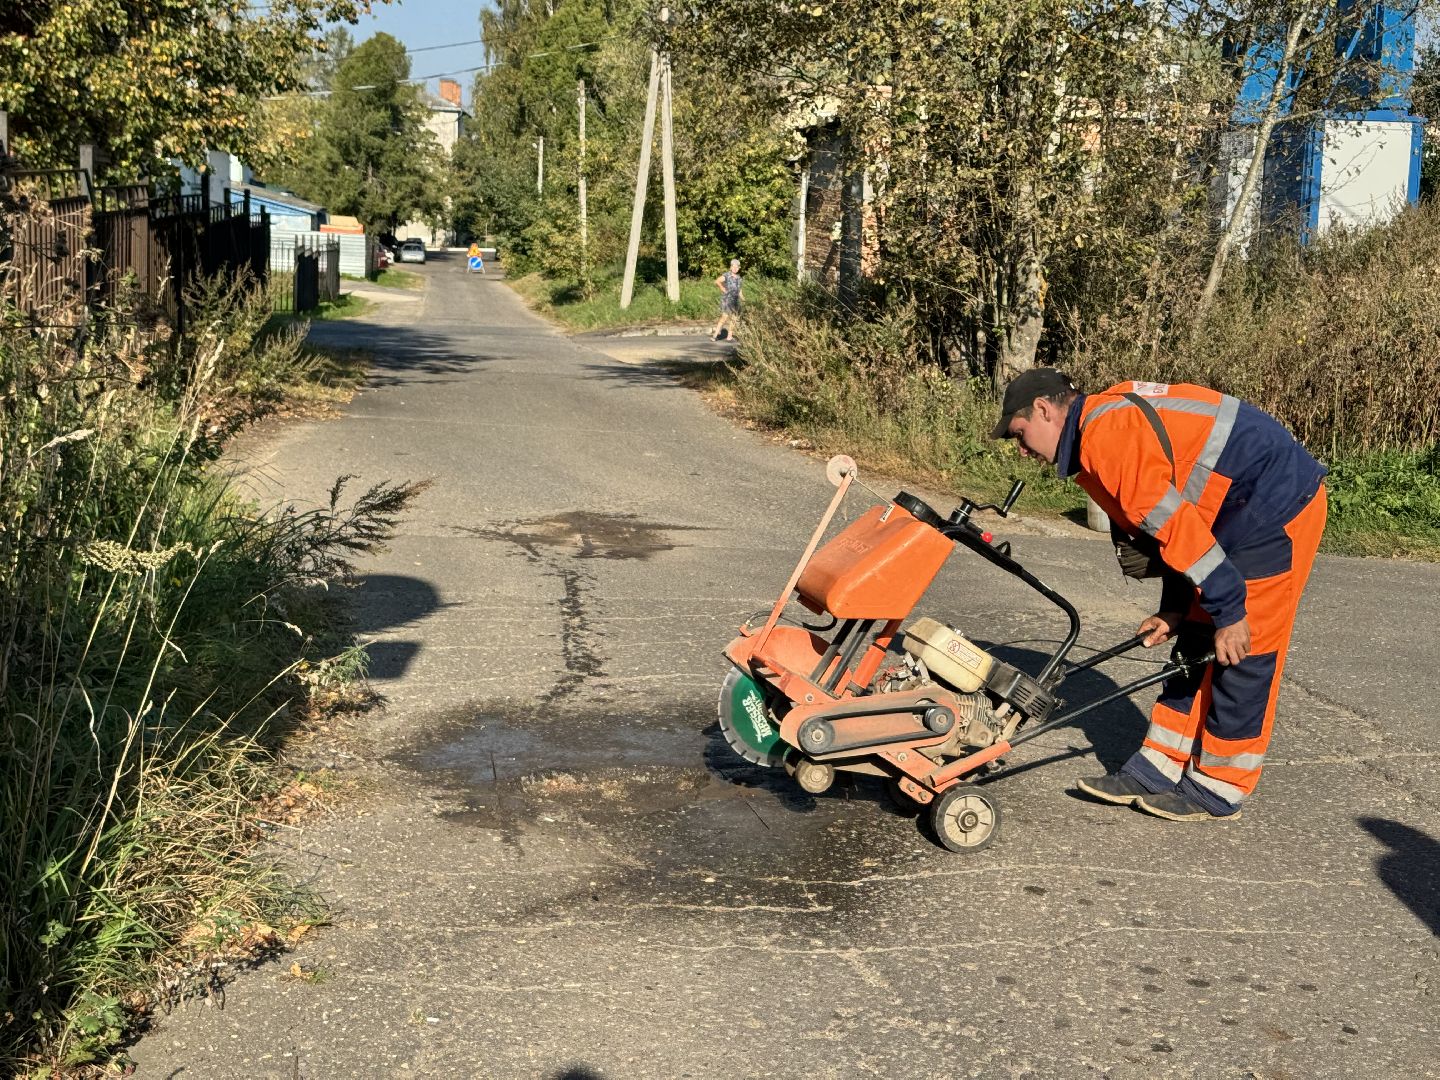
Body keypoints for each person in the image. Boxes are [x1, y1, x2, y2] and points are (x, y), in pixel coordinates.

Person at [992, 367, 1328, 822]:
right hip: (1230, 511)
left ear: (1044, 410)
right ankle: (1159, 766)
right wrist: (1176, 608)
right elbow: (1169, 527)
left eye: (1020, 433)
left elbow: (1178, 528)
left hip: (1275, 505)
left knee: (1241, 650)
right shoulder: (1099, 431)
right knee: (1194, 637)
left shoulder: (1106, 438)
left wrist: (1229, 612)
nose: (1022, 449)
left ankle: (1219, 786)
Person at [711, 258, 743, 341]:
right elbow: (717, 281)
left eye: (737, 267)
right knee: (724, 317)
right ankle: (715, 335)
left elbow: (739, 291)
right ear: (731, 267)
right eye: (734, 267)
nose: (735, 268)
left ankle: (729, 336)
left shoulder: (739, 278)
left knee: (734, 318)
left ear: (739, 268)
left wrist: (743, 299)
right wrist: (722, 288)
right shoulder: (727, 275)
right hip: (727, 300)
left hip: (735, 301)